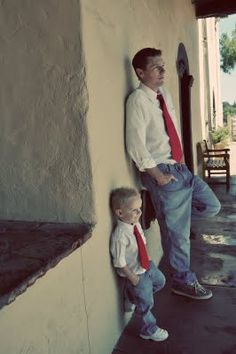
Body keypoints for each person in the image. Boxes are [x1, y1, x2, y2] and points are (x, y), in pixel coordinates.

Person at [126, 47, 221, 300]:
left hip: (179, 169)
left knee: (211, 206)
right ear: (140, 72)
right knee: (179, 237)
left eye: (163, 66)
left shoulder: (164, 95)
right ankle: (182, 281)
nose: (163, 71)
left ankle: (167, 217)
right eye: (156, 67)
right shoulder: (138, 100)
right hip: (163, 171)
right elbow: (136, 144)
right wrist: (157, 176)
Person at [110, 187, 168, 342]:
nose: (140, 213)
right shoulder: (120, 235)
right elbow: (119, 261)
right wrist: (133, 278)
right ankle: (149, 329)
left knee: (161, 281)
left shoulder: (134, 224)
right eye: (135, 210)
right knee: (146, 303)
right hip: (136, 274)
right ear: (120, 213)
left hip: (146, 265)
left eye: (140, 209)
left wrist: (148, 263)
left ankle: (132, 297)